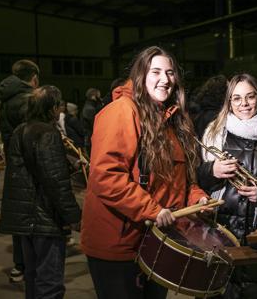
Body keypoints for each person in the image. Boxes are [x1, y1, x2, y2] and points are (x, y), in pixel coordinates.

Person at [80, 46, 210, 299]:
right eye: (156, 71)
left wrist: (197, 199)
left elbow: (180, 179)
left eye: (170, 73)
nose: (165, 79)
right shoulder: (121, 111)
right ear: (141, 75)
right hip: (119, 244)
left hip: (156, 242)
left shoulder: (173, 119)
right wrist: (152, 210)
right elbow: (107, 176)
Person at [197, 73, 257, 299]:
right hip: (219, 232)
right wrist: (211, 171)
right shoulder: (213, 132)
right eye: (237, 98)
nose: (244, 104)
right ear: (229, 102)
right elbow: (192, 178)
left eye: (250, 97)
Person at [0, 85, 82, 299]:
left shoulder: (21, 129)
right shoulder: (47, 133)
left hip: (26, 220)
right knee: (50, 285)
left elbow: (34, 168)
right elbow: (55, 181)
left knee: (33, 280)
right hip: (44, 219)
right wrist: (74, 217)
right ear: (52, 108)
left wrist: (69, 164)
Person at [0, 59, 40, 283]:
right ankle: (27, 265)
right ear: (34, 78)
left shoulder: (6, 100)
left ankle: (19, 264)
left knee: (18, 212)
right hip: (28, 164)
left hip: (13, 162)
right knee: (31, 213)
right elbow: (33, 136)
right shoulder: (27, 100)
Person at [81, 87, 102, 152]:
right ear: (93, 96)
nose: (100, 98)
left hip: (90, 138)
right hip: (90, 139)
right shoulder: (90, 109)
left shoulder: (89, 107)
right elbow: (94, 124)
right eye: (98, 96)